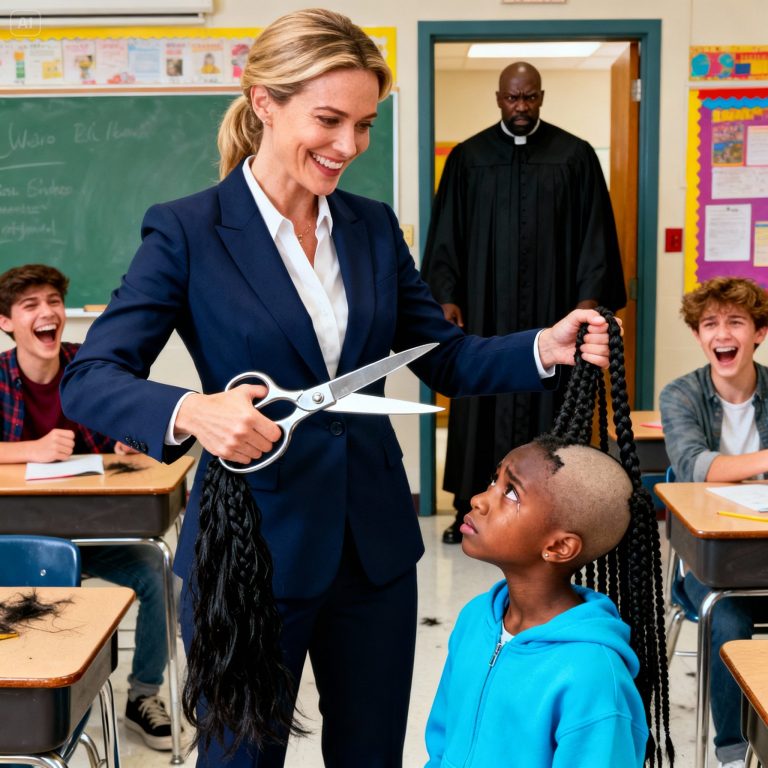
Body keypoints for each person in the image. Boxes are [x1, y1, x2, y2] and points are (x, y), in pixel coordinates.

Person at [59, 10, 616, 767]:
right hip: (250, 557)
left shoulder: (371, 227)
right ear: (263, 102)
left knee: (370, 757)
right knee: (238, 759)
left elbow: (443, 356)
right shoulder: (189, 231)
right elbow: (90, 377)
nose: (348, 147)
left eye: (364, 125)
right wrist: (193, 410)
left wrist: (540, 349)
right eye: (328, 120)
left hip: (375, 553)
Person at [421, 60, 626, 544]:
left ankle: (555, 512)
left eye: (530, 97)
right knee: (481, 399)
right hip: (485, 318)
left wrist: (589, 302)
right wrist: (446, 297)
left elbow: (595, 236)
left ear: (541, 97)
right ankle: (468, 509)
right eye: (513, 98)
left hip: (553, 317)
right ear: (498, 98)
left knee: (551, 408)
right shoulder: (468, 158)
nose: (521, 106)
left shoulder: (573, 156)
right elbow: (446, 234)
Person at [0, 263, 181, 751]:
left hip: (87, 532)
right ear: (6, 322)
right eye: (30, 305)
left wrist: (132, 443)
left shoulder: (90, 369)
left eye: (54, 302)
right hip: (12, 542)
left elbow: (140, 433)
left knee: (159, 572)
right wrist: (29, 449)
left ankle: (142, 696)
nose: (47, 312)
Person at [424, 436, 649, 767]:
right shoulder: (475, 618)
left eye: (511, 493)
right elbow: (443, 740)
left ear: (559, 547)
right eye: (493, 480)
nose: (478, 500)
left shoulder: (592, 675)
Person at [660, 276, 768, 768]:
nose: (722, 333)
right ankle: (730, 752)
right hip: (709, 564)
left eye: (736, 322)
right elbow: (693, 467)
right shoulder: (680, 394)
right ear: (699, 336)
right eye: (710, 323)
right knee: (728, 617)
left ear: (759, 333)